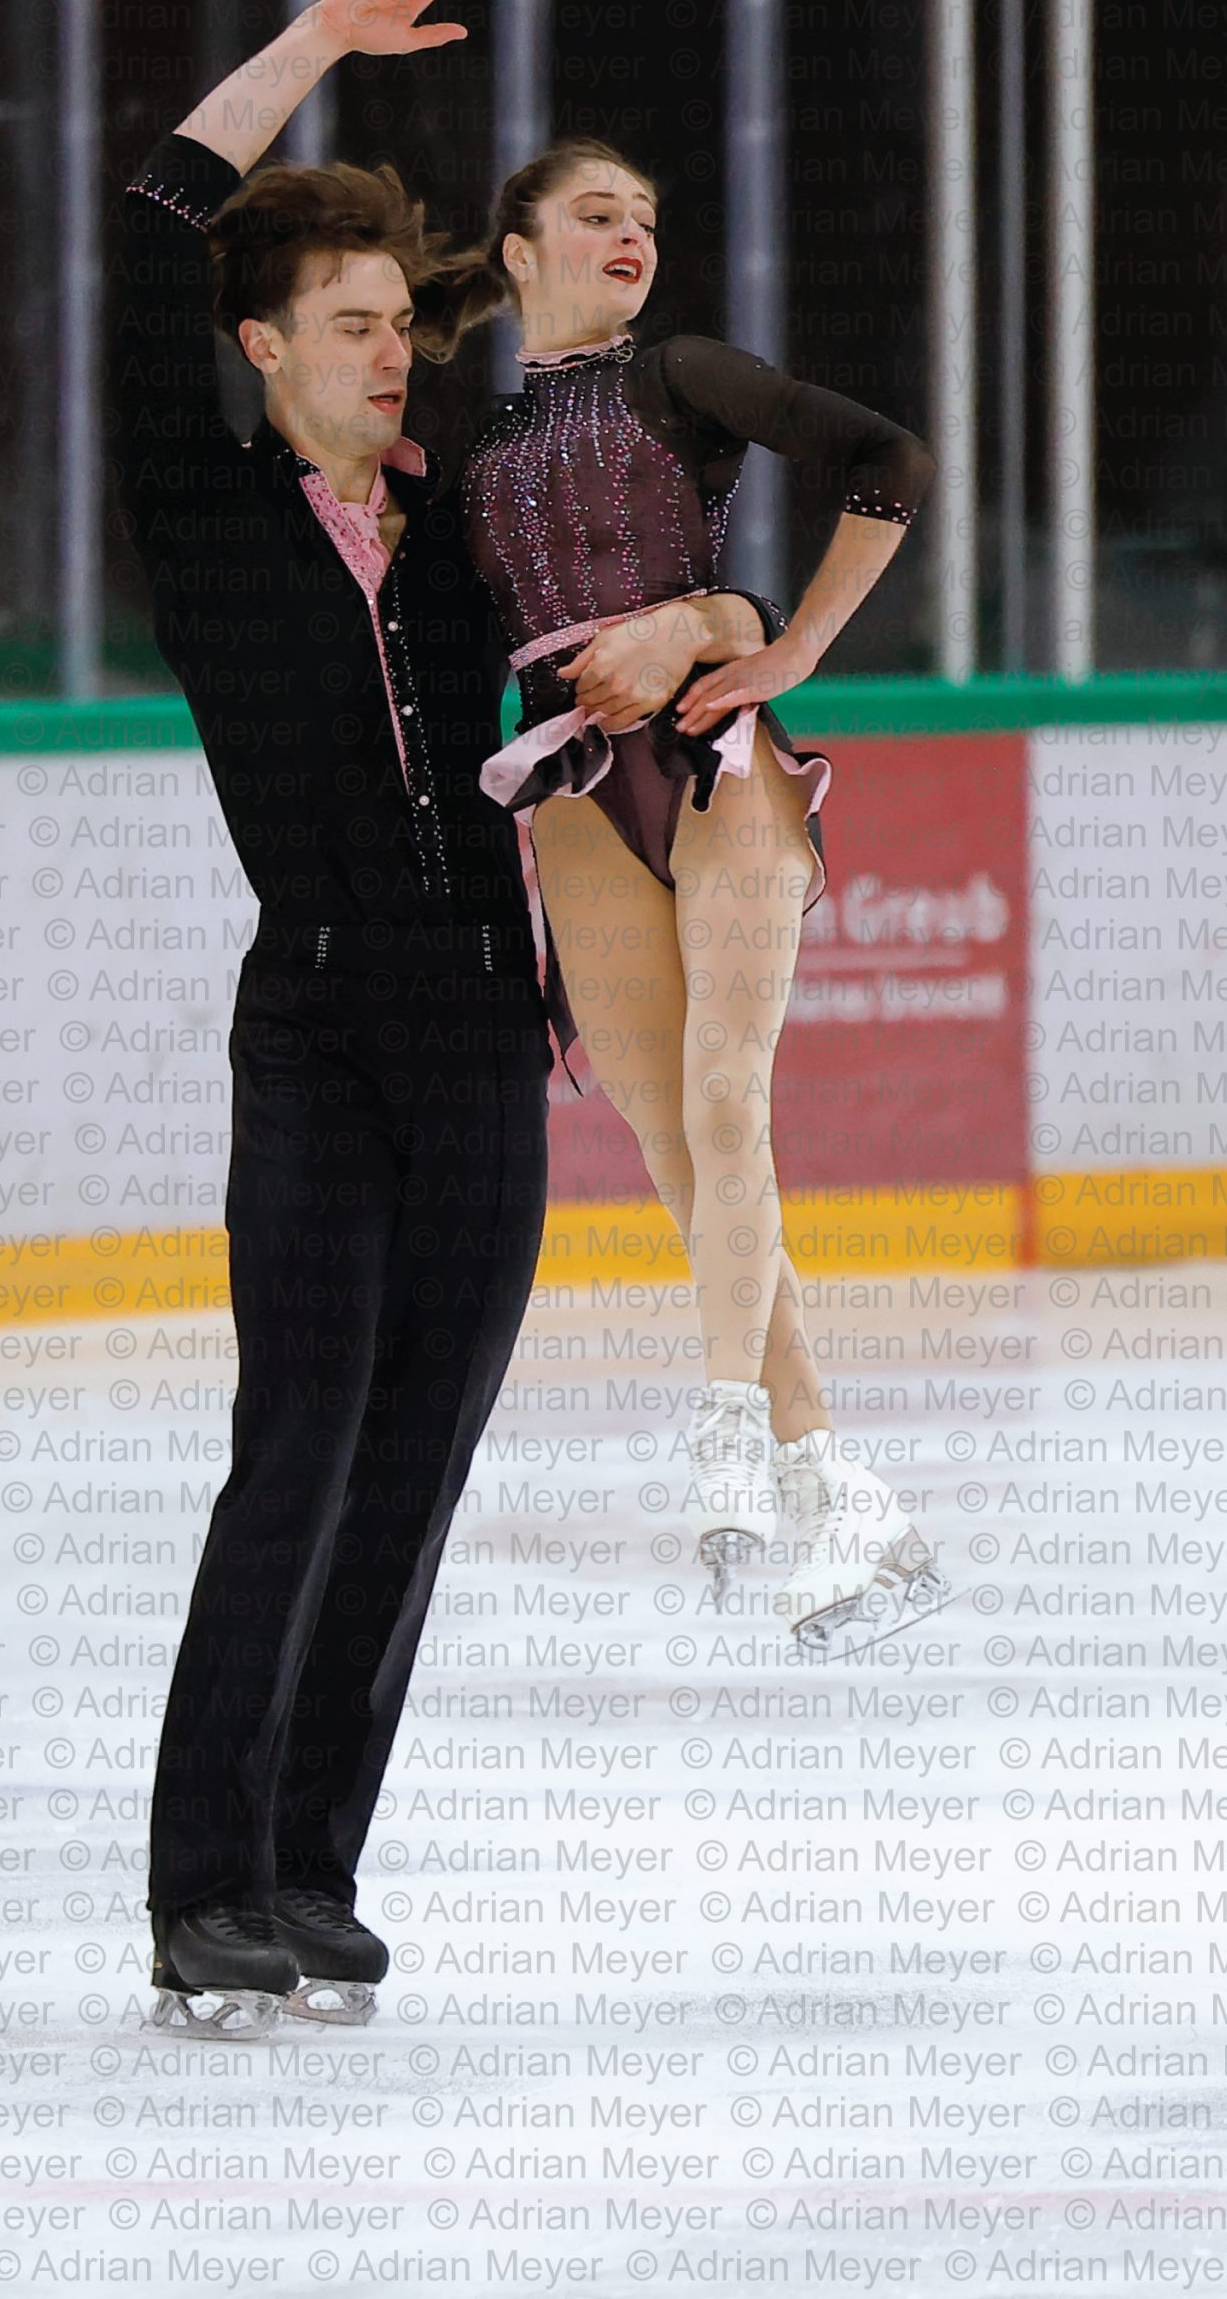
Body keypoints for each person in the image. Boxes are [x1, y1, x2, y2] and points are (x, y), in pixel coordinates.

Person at [114, 0, 553, 2034]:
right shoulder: (206, 518)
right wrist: (302, 47)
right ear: (266, 345)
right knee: (292, 1441)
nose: (393, 355)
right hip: (313, 1038)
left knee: (416, 1457)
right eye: (354, 327)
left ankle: (306, 1866)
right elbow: (147, 226)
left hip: (484, 1041)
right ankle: (200, 1883)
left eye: (403, 324)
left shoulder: (466, 524)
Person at [429, 125, 960, 1658]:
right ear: (519, 250)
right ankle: (832, 1482)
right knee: (673, 1144)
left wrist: (774, 644)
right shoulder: (467, 445)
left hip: (721, 759)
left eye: (647, 217)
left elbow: (889, 460)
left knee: (730, 1102)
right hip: (581, 792)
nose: (632, 235)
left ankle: (731, 1422)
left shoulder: (684, 375)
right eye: (596, 214)